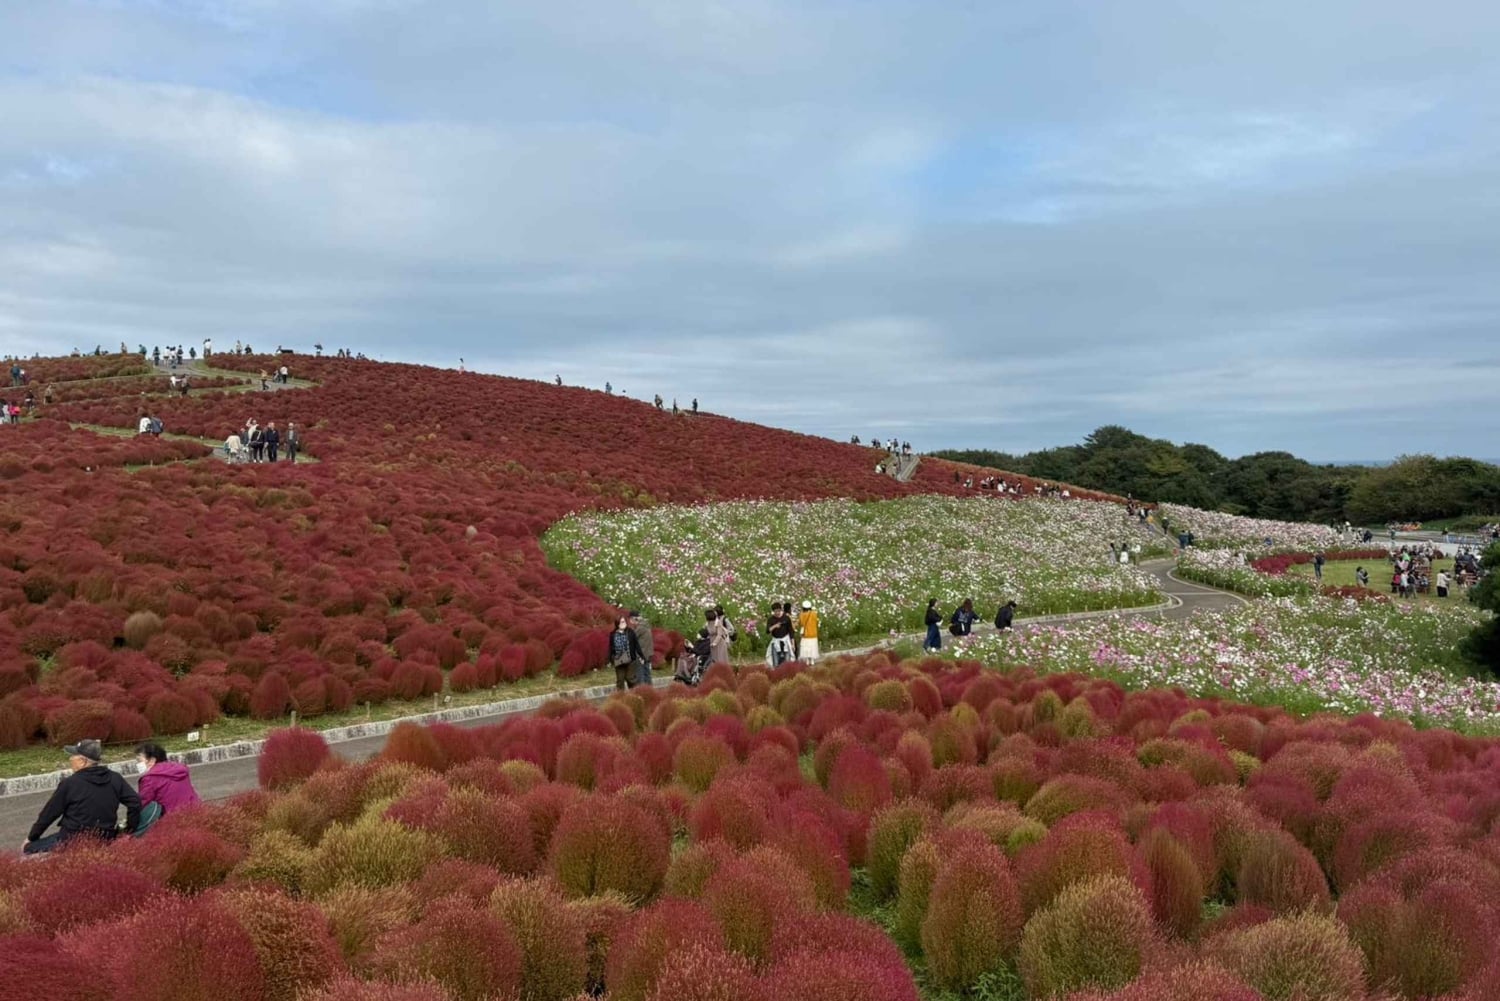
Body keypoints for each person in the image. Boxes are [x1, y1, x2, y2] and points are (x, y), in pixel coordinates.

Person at [23, 739, 141, 854]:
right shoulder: (115, 778)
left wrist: (31, 838)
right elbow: (135, 802)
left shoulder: (70, 783)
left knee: (28, 849)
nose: (70, 759)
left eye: (73, 756)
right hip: (105, 838)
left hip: (71, 840)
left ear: (82, 761)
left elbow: (49, 814)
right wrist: (129, 830)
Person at [135, 742, 200, 816]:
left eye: (139, 761)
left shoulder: (150, 778)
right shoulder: (178, 769)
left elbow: (143, 803)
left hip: (173, 819)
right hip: (196, 810)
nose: (138, 765)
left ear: (152, 760)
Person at [608, 616, 643, 691]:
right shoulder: (613, 634)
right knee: (620, 680)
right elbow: (611, 647)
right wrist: (610, 659)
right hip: (619, 660)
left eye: (624, 621)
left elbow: (636, 645)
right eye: (622, 622)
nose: (624, 623)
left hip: (630, 659)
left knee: (630, 678)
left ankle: (633, 695)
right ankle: (620, 697)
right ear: (617, 623)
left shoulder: (630, 632)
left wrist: (641, 656)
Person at [629, 610, 654, 687]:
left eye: (630, 619)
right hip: (647, 654)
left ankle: (643, 693)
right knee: (647, 675)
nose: (630, 621)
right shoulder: (646, 625)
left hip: (641, 655)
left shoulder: (640, 628)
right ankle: (650, 693)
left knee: (640, 677)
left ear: (633, 618)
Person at [766, 602, 795, 667]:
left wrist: (793, 644)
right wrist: (775, 626)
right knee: (775, 663)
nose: (777, 613)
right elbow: (768, 631)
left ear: (781, 610)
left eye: (779, 611)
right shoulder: (771, 619)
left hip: (785, 640)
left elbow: (791, 631)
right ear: (773, 611)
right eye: (775, 611)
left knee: (787, 661)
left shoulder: (786, 618)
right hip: (775, 641)